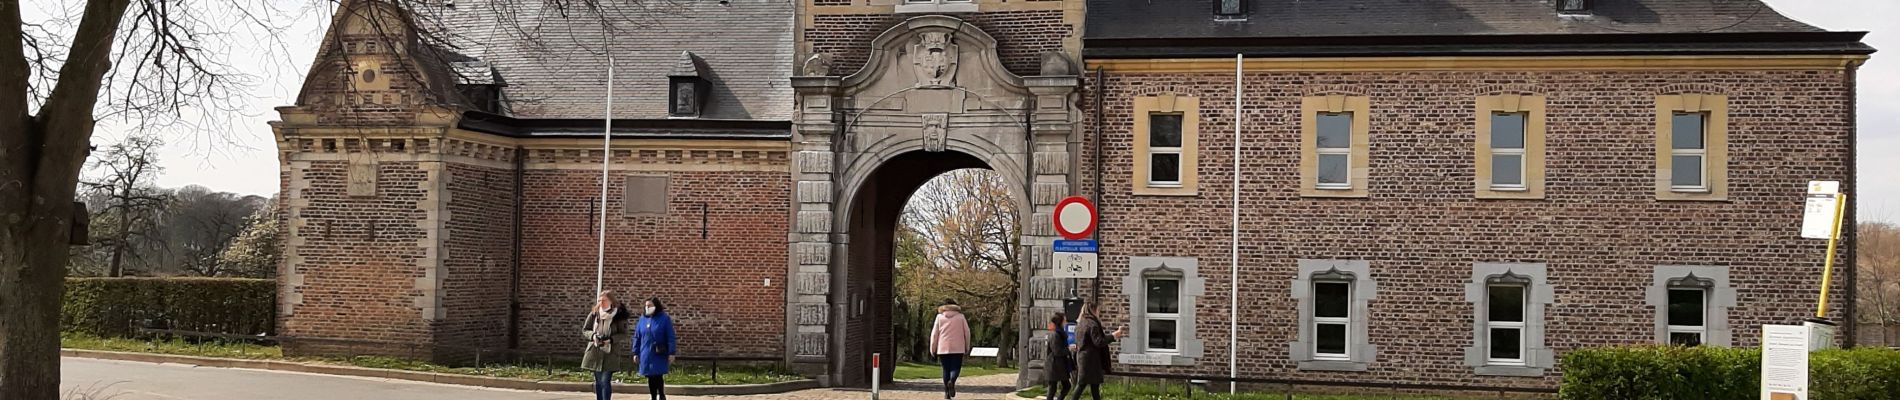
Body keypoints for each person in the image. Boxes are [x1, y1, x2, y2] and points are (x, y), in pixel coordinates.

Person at [1068, 302, 1126, 400]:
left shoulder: (1080, 323)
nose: (1099, 313)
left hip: (1082, 357)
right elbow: (1098, 342)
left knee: (1093, 386)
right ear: (1093, 310)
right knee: (1082, 385)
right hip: (1091, 360)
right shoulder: (1092, 324)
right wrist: (1113, 336)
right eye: (1098, 310)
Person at [581, 290, 632, 400]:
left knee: (605, 381)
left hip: (610, 352)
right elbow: (586, 329)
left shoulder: (618, 315)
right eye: (599, 300)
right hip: (595, 351)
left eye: (604, 300)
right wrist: (593, 336)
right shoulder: (594, 313)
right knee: (598, 382)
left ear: (611, 301)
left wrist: (611, 339)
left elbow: (623, 334)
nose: (601, 302)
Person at [632, 297, 678, 400]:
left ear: (656, 306)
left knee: (657, 374)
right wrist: (635, 352)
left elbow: (670, 336)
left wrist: (671, 352)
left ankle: (661, 394)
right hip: (645, 352)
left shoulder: (664, 318)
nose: (647, 308)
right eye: (646, 306)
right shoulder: (642, 319)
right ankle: (653, 396)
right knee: (649, 375)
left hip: (659, 352)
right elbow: (637, 336)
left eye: (650, 306)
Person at [927, 299, 972, 400]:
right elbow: (967, 332)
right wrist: (967, 347)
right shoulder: (961, 317)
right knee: (956, 367)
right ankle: (952, 381)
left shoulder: (939, 317)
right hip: (958, 347)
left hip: (943, 347)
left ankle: (946, 393)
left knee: (945, 369)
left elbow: (934, 334)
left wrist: (932, 348)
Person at [1043, 313, 1075, 400]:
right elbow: (1057, 351)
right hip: (1054, 365)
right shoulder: (1055, 335)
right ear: (1060, 322)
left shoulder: (1061, 333)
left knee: (1066, 386)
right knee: (1052, 389)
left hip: (1060, 365)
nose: (1066, 322)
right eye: (1064, 320)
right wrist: (1069, 349)